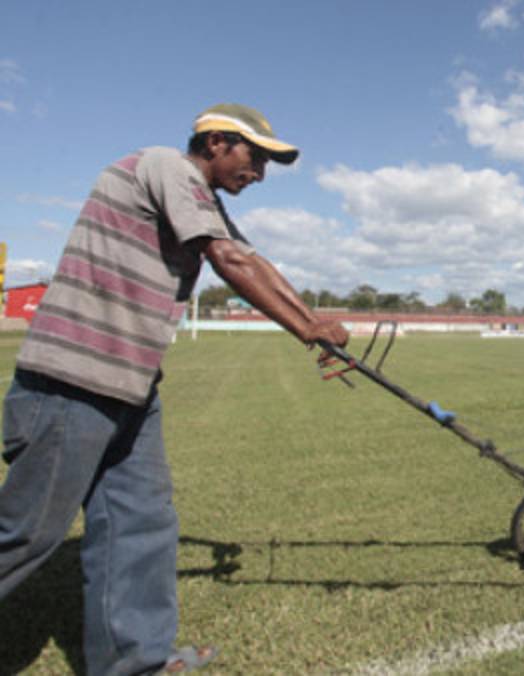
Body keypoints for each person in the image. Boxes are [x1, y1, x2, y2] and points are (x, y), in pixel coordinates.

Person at [0, 103, 350, 674]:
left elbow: (249, 258)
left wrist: (311, 321)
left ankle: (134, 662)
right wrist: (307, 328)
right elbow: (229, 259)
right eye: (255, 157)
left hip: (130, 387)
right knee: (25, 533)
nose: (259, 173)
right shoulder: (166, 165)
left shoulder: (201, 201)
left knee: (140, 524)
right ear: (215, 142)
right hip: (73, 379)